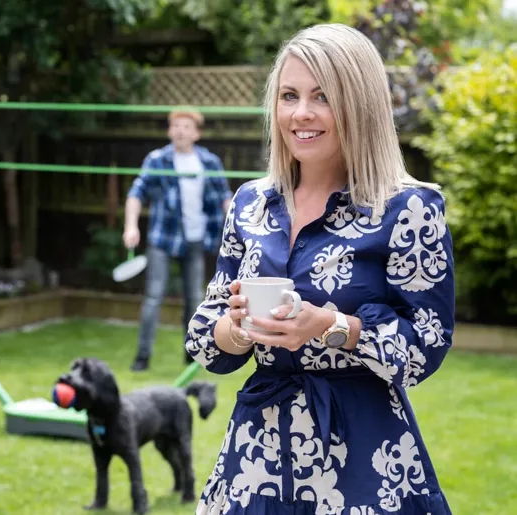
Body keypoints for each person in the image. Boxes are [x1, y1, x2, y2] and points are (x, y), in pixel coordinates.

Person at [184, 24, 455, 514]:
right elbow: (205, 341)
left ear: (360, 105)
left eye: (323, 96)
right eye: (289, 95)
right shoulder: (249, 205)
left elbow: (424, 348)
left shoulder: (408, 210)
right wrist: (242, 328)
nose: (301, 113)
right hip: (256, 460)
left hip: (364, 462)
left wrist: (331, 327)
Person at [124, 108, 233, 372]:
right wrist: (130, 226)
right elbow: (136, 193)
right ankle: (142, 356)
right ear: (169, 131)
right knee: (153, 297)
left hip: (196, 239)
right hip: (162, 239)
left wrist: (236, 230)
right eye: (175, 126)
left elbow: (225, 199)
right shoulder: (157, 159)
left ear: (196, 133)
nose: (180, 131)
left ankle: (191, 355)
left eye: (186, 127)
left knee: (194, 299)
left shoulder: (209, 162)